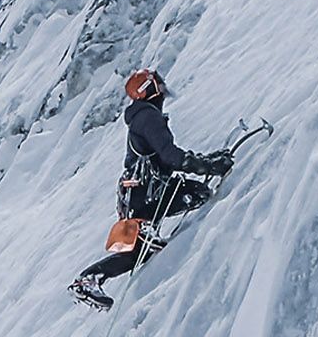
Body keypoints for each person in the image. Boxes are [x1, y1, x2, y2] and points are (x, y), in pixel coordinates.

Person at [68, 68, 231, 311]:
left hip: (136, 194)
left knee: (139, 252)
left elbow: (164, 158)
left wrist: (204, 161)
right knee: (198, 194)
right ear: (150, 89)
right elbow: (171, 156)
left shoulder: (141, 118)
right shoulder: (148, 117)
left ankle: (90, 278)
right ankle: (90, 277)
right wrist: (209, 165)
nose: (163, 91)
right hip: (147, 192)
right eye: (159, 86)